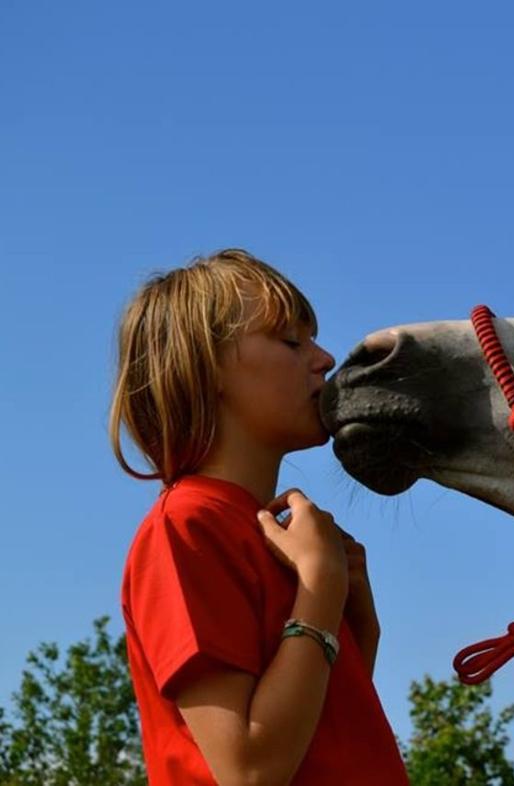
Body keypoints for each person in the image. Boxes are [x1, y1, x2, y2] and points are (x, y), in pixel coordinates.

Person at [109, 249, 410, 785]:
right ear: (206, 368)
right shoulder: (186, 528)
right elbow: (248, 771)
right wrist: (319, 590)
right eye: (290, 341)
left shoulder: (272, 534)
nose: (323, 359)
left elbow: (317, 742)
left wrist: (357, 625)